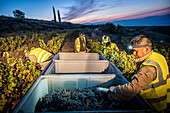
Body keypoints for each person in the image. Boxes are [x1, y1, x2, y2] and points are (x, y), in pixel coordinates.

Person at [97, 35, 170, 111]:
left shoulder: (149, 67)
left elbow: (131, 90)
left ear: (147, 49)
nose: (133, 54)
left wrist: (113, 90)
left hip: (151, 106)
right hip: (164, 103)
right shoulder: (159, 57)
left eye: (136, 51)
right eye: (133, 51)